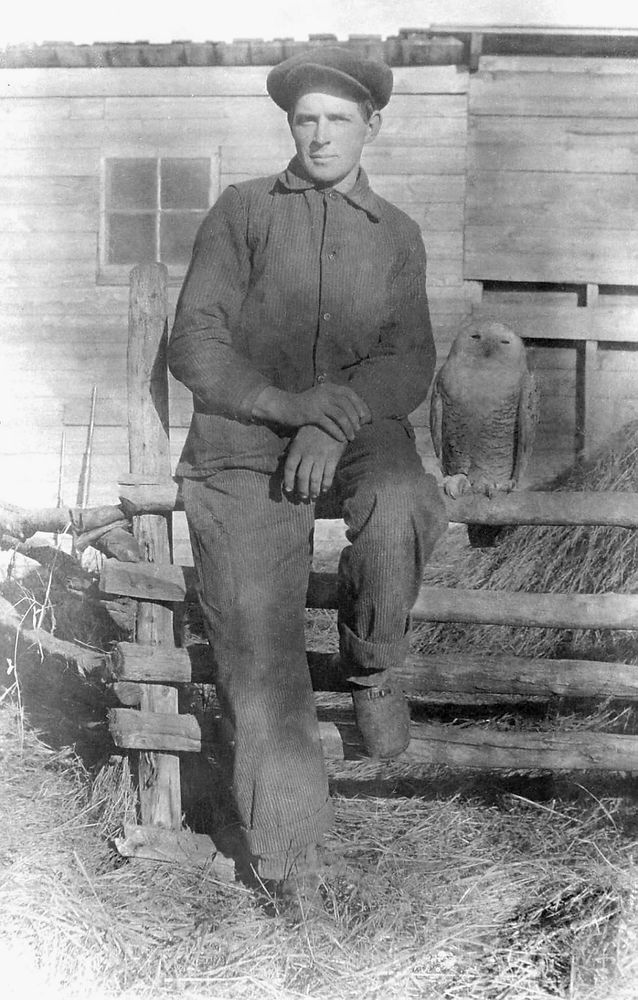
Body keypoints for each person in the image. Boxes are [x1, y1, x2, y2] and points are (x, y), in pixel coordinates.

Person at [168, 47, 447, 908]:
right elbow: (195, 343)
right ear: (291, 126)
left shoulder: (396, 235)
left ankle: (371, 667)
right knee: (258, 639)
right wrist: (290, 410)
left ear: (372, 125)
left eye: (339, 119)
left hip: (357, 431)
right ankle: (292, 867)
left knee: (402, 501)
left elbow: (409, 358)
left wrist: (336, 419)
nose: (321, 135)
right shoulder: (243, 212)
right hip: (246, 438)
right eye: (306, 119)